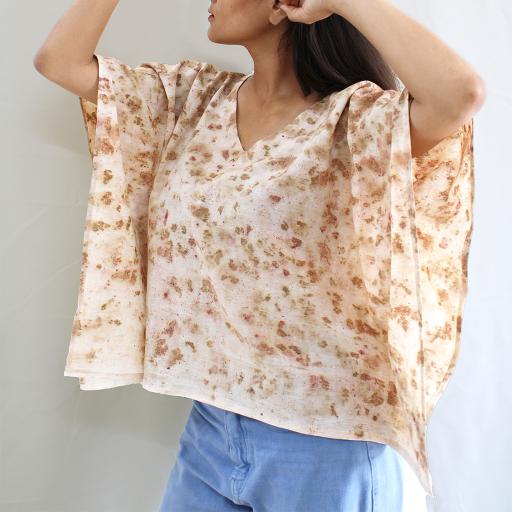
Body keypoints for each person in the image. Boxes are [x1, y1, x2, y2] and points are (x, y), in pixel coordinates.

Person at [34, 0, 485, 510]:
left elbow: (460, 94)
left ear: (280, 6)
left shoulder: (356, 121)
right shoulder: (192, 100)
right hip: (212, 426)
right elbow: (60, 61)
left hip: (329, 442)